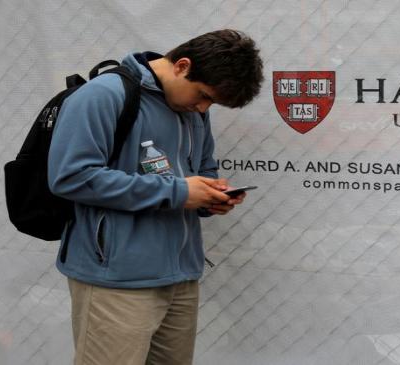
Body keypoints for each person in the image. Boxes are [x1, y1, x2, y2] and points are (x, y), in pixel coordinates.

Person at [47, 29, 264, 364]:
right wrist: (179, 192)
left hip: (180, 276)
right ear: (182, 66)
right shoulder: (103, 96)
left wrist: (210, 195)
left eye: (212, 103)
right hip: (116, 279)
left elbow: (201, 169)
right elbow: (71, 177)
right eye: (203, 95)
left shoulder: (195, 112)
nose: (204, 107)